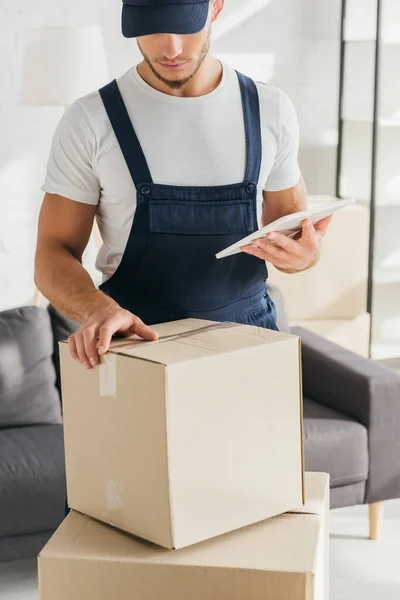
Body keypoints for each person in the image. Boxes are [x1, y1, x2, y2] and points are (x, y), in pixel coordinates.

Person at [35, 0, 332, 371]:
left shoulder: (270, 109)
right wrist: (96, 310)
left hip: (252, 352)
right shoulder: (90, 121)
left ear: (216, 8)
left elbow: (291, 227)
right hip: (138, 353)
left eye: (184, 25)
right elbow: (52, 253)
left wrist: (307, 255)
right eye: (154, 27)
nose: (171, 48)